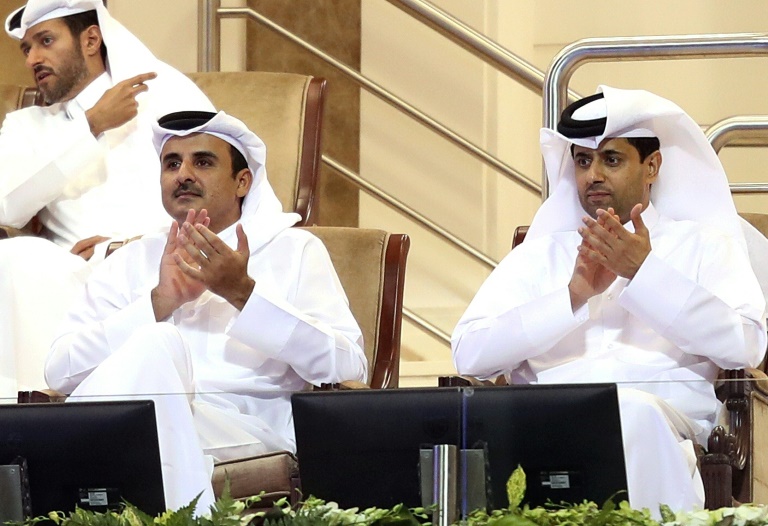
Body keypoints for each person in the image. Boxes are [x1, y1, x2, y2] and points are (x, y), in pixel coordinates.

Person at [451, 86, 767, 515]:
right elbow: (469, 354)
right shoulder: (542, 253)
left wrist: (644, 274)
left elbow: (745, 345)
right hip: (547, 421)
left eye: (610, 159)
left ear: (652, 165)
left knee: (628, 413)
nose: (592, 174)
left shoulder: (704, 245)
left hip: (664, 426)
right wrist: (572, 297)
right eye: (582, 160)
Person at [45, 110, 368, 512]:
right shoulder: (130, 259)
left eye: (202, 161)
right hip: (136, 424)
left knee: (152, 362)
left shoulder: (293, 250)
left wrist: (242, 293)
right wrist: (160, 301)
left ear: (242, 181)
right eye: (172, 163)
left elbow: (348, 367)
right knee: (154, 350)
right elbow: (59, 371)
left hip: (248, 427)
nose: (183, 174)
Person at [0, 0, 214, 400]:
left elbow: (214, 191)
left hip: (163, 266)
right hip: (72, 278)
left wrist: (129, 250)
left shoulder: (165, 96)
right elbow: (6, 204)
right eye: (26, 49)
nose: (34, 58)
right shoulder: (26, 126)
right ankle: (25, 431)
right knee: (17, 259)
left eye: (46, 41)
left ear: (92, 39)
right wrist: (91, 125)